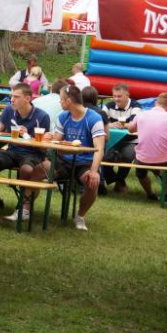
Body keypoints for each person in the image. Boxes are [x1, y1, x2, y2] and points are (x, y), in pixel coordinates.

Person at [0, 83, 52, 218]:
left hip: (33, 153)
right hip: (11, 151)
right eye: (12, 96)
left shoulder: (42, 116)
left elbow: (43, 147)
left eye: (16, 97)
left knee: (27, 170)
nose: (12, 99)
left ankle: (23, 207)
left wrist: (29, 136)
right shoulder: (9, 110)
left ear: (28, 98)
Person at [52, 85, 106, 232]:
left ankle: (80, 215)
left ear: (68, 100)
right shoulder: (63, 117)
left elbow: (99, 148)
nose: (59, 103)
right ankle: (24, 210)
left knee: (91, 182)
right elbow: (56, 142)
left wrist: (94, 171)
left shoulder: (93, 118)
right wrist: (49, 138)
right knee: (38, 169)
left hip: (84, 161)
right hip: (64, 160)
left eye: (61, 99)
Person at [129, 92, 167, 201]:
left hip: (143, 159)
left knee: (141, 172)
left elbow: (130, 129)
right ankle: (166, 193)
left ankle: (150, 194)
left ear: (156, 103)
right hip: (164, 159)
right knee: (164, 165)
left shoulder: (141, 114)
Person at [103, 83, 142, 192]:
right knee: (105, 157)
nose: (116, 99)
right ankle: (119, 182)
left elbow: (134, 124)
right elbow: (100, 121)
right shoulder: (108, 106)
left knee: (128, 155)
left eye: (119, 96)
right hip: (113, 140)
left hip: (131, 140)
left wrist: (121, 125)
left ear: (127, 95)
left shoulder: (136, 106)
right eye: (114, 96)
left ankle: (119, 182)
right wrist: (110, 125)